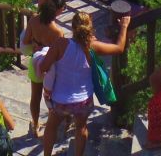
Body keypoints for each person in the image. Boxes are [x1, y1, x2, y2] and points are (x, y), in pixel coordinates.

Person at [40, 11, 130, 156]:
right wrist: (124, 26)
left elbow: (43, 67)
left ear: (73, 26)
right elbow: (119, 48)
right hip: (83, 101)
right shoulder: (92, 46)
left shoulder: (60, 44)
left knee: (51, 127)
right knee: (81, 128)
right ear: (89, 28)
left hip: (60, 100)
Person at [21, 0, 67, 136]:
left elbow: (26, 41)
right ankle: (53, 125)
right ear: (57, 10)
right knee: (51, 97)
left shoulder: (34, 21)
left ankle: (35, 125)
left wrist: (37, 46)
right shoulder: (58, 32)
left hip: (36, 64)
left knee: (35, 97)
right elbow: (59, 56)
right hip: (51, 68)